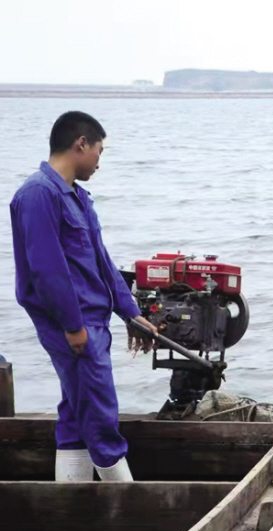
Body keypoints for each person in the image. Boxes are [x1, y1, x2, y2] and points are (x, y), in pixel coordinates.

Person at [9, 111, 157, 482]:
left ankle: (69, 506)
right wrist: (73, 327)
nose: (99, 162)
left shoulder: (77, 197)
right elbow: (46, 270)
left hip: (94, 320)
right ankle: (128, 506)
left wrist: (130, 312)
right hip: (73, 326)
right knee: (100, 415)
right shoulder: (38, 195)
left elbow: (101, 261)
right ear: (81, 144)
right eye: (99, 152)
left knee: (76, 413)